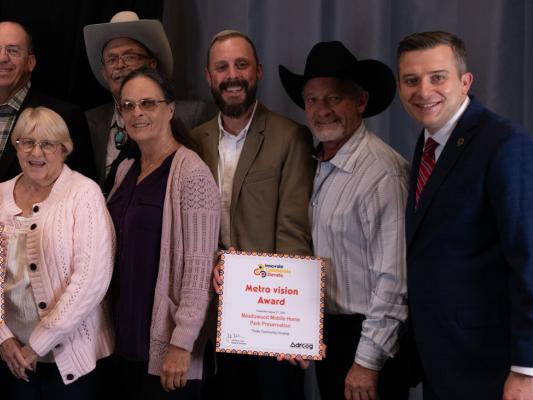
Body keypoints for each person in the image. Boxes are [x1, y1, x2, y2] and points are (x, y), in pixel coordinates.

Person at [396, 31, 533, 399]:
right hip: (450, 359)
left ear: (465, 81)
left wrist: (528, 368)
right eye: (410, 80)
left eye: (437, 77)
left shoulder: (508, 146)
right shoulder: (430, 142)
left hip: (501, 366)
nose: (423, 90)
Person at [277, 40, 412, 399]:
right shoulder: (319, 166)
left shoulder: (382, 174)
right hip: (330, 336)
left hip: (368, 341)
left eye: (334, 98)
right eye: (312, 100)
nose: (322, 110)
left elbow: (394, 281)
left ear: (361, 102)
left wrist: (367, 361)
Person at [189, 30, 314, 399]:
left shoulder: (290, 137)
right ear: (209, 76)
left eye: (241, 65)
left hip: (271, 318)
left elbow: (294, 231)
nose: (232, 75)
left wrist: (287, 322)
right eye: (222, 67)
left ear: (257, 71)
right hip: (211, 318)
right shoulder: (193, 141)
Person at [0, 107, 115, 399]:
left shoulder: (84, 193)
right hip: (11, 358)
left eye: (47, 143)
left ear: (64, 148)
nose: (36, 152)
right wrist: (2, 340)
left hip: (69, 359)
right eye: (27, 142)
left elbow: (90, 281)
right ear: (16, 146)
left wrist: (37, 345)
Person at [105, 69, 220, 399]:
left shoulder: (192, 173)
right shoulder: (126, 170)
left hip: (167, 351)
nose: (136, 112)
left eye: (147, 103)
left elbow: (199, 271)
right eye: (128, 105)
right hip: (123, 339)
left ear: (170, 109)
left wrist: (181, 344)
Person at [0, 21, 96, 191]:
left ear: (30, 62)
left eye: (13, 51)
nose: (2, 58)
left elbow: (81, 190)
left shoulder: (64, 117)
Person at [82, 11, 215, 186]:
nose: (120, 65)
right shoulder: (88, 121)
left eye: (130, 56)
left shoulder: (192, 116)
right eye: (112, 59)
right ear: (104, 73)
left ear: (152, 65)